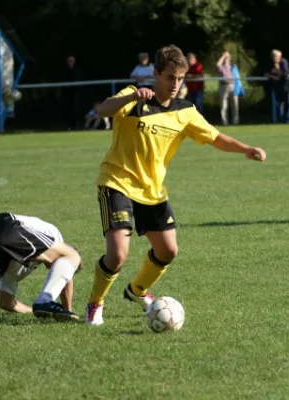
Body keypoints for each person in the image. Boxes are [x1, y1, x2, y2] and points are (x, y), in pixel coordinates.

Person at [84, 44, 266, 326]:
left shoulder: (185, 111)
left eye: (180, 79)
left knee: (168, 251)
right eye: (170, 77)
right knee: (117, 255)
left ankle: (136, 291)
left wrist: (244, 148)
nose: (175, 84)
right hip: (117, 182)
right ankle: (95, 304)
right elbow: (102, 110)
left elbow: (215, 137)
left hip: (152, 190)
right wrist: (132, 95)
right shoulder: (134, 99)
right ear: (155, 74)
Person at [265, 49, 289, 123]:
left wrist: (277, 70)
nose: (278, 58)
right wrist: (274, 76)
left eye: (279, 56)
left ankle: (288, 120)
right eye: (276, 57)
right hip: (277, 86)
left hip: (286, 85)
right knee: (279, 103)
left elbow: (285, 73)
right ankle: (281, 120)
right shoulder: (270, 63)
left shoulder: (284, 62)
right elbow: (266, 73)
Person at [216, 51, 240, 125]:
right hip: (223, 86)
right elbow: (217, 64)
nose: (226, 59)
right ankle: (224, 122)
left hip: (233, 86)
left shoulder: (233, 66)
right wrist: (223, 56)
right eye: (225, 57)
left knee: (235, 104)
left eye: (227, 57)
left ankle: (235, 121)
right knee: (223, 105)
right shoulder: (221, 67)